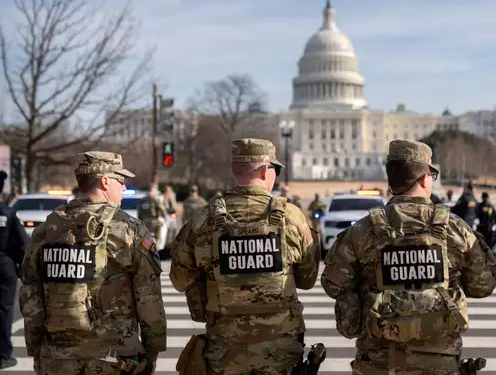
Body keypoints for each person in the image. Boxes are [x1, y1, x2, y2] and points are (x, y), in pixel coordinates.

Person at [321, 140, 496, 374]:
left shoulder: (362, 231)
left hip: (378, 362)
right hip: (439, 361)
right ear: (425, 178)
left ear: (391, 180)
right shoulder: (456, 229)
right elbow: (483, 285)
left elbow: (333, 284)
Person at [170, 138, 320, 374]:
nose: (276, 176)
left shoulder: (201, 220)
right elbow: (307, 280)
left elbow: (180, 280)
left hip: (224, 348)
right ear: (263, 171)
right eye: (276, 169)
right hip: (280, 349)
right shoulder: (292, 217)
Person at [19, 151, 167, 374]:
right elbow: (149, 297)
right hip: (114, 359)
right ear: (105, 181)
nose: (124, 188)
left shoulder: (47, 230)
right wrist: (152, 350)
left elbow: (30, 293)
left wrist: (36, 350)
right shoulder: (129, 230)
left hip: (58, 358)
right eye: (121, 180)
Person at [0, 171, 29, 369]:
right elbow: (22, 244)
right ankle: (3, 355)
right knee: (4, 310)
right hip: (4, 267)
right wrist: (22, 270)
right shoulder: (7, 214)